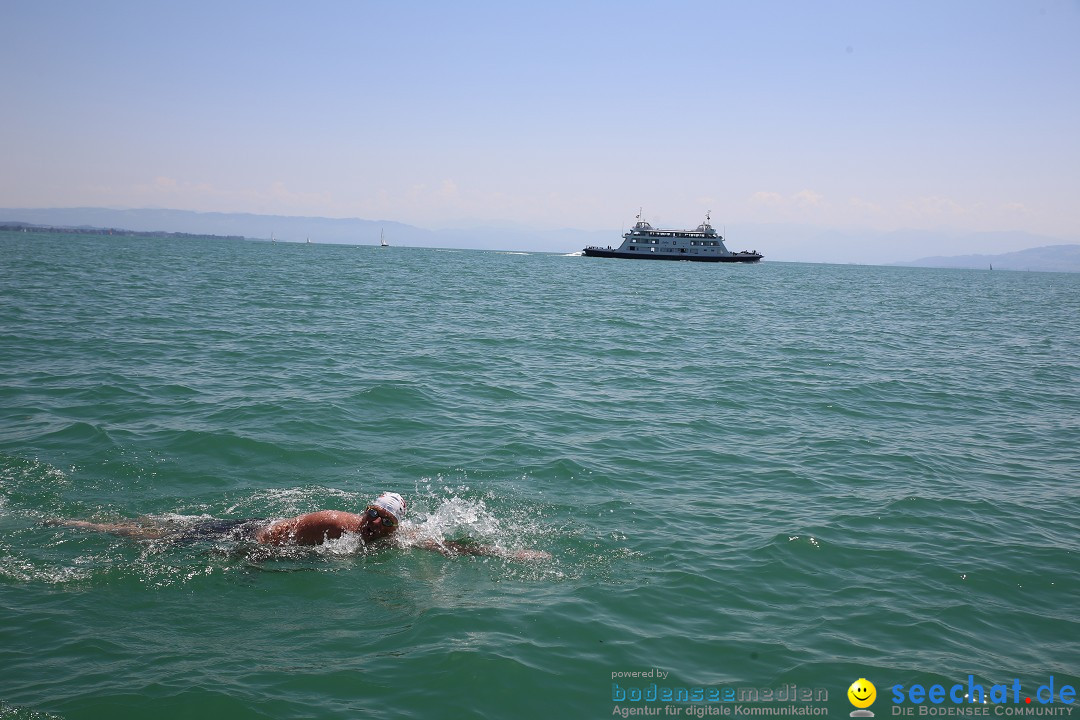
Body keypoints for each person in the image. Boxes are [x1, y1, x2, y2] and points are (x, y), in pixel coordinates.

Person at [52, 491, 550, 561]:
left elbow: (446, 545)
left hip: (259, 535)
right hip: (248, 534)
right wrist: (248, 561)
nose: (378, 525)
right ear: (367, 512)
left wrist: (508, 553)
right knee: (153, 535)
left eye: (387, 521)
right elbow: (273, 539)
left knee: (160, 528)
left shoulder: (393, 535)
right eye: (375, 516)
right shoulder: (334, 523)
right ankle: (77, 523)